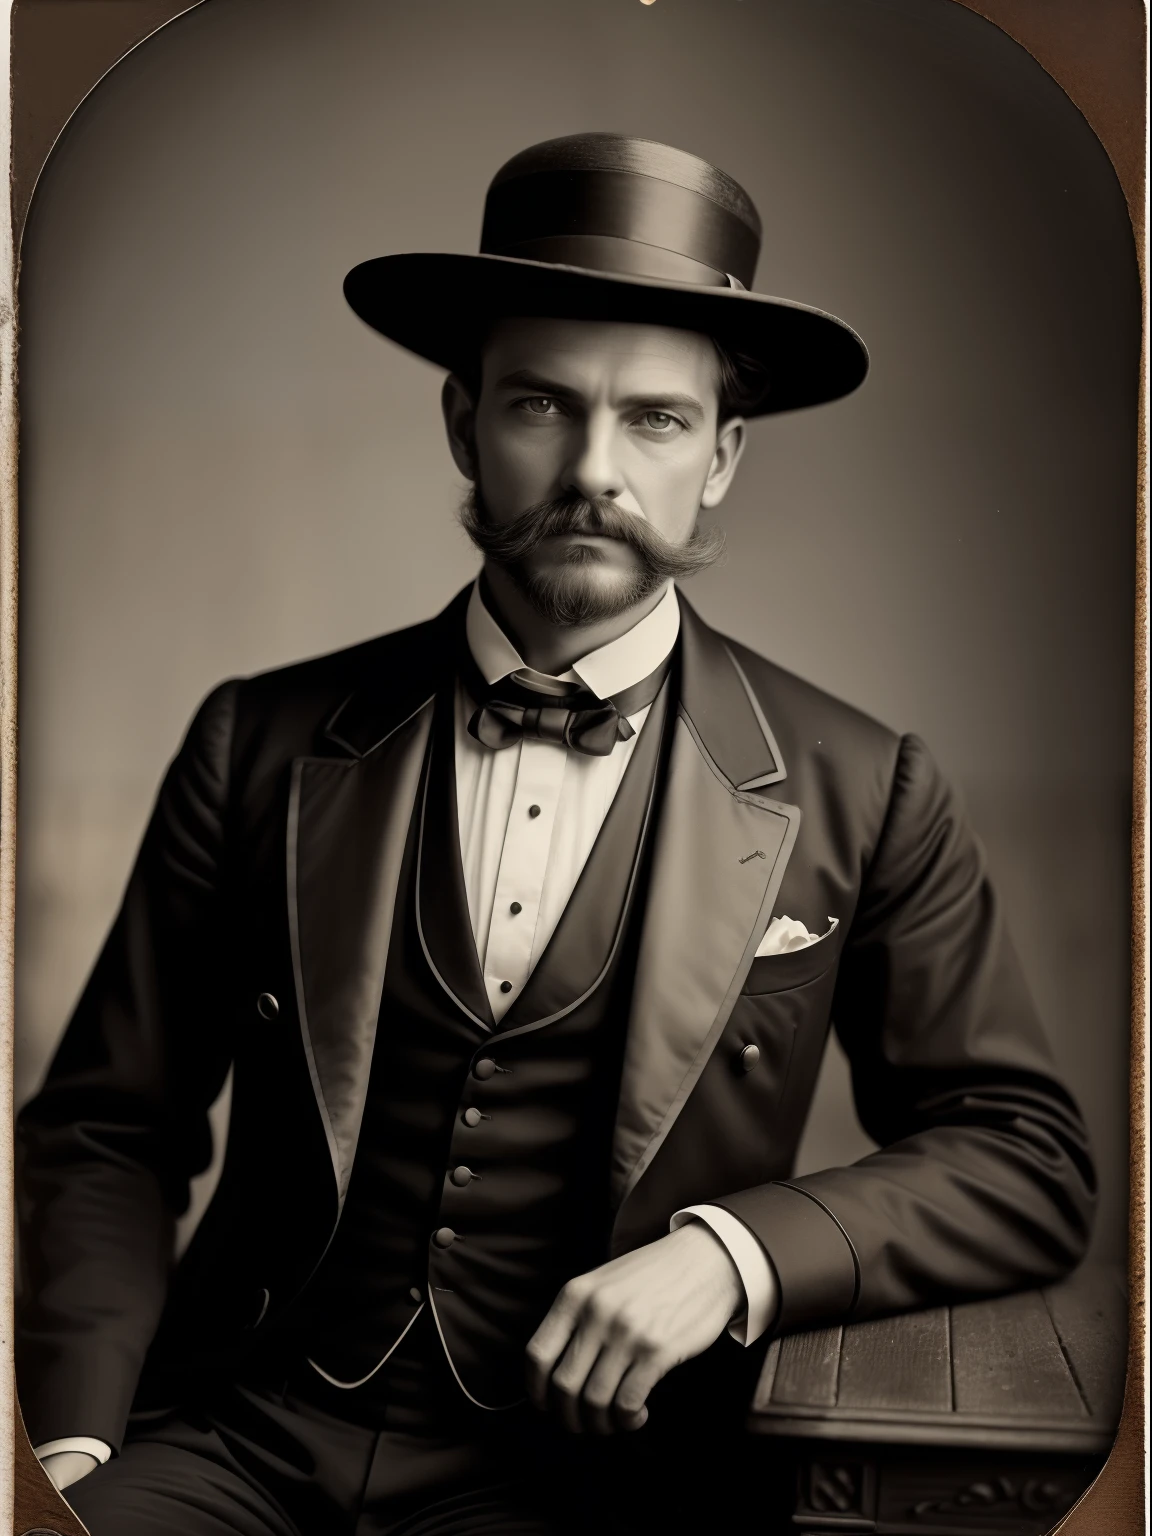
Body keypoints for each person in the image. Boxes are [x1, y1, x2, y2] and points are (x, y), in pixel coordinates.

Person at [16, 133, 1095, 1536]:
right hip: (240, 1434)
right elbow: (107, 1129)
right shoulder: (261, 739)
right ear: (465, 423)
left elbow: (1024, 1153)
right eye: (543, 404)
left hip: (594, 1480)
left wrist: (731, 1256)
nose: (595, 467)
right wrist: (68, 1442)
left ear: (722, 456)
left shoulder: (862, 781)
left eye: (654, 419)